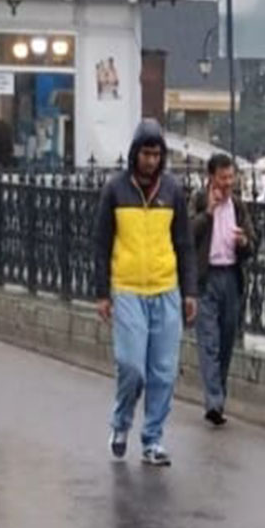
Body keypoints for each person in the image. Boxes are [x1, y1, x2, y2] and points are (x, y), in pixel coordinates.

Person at [94, 120, 197, 467]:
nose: (151, 161)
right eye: (145, 153)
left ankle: (153, 439)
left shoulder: (172, 191)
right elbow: (101, 243)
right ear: (134, 154)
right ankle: (121, 423)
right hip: (128, 291)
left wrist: (189, 292)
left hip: (166, 289)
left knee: (164, 372)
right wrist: (102, 292)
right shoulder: (115, 190)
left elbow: (184, 243)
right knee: (131, 366)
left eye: (156, 154)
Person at [191, 154, 258, 427]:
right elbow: (185, 234)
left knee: (227, 340)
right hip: (206, 280)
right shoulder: (198, 201)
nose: (228, 183)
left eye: (232, 177)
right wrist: (207, 213)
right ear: (211, 177)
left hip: (231, 277)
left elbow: (253, 243)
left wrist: (244, 242)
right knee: (210, 342)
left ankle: (218, 396)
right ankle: (214, 402)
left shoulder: (239, 207)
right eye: (223, 178)